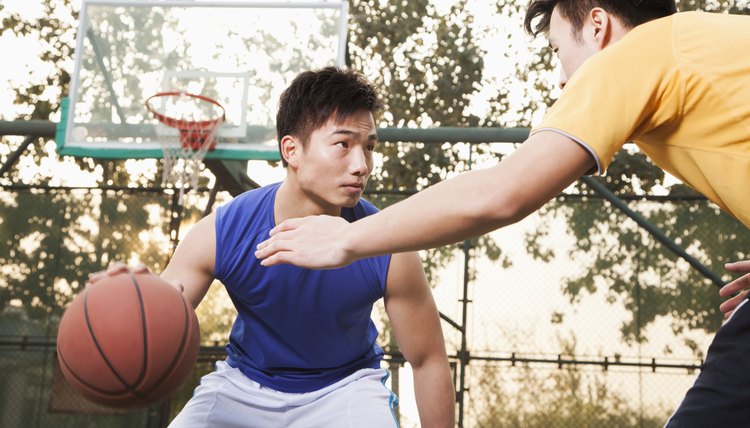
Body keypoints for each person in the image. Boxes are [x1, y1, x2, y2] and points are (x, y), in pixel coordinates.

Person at [255, 2, 750, 426]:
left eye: (558, 49)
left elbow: (502, 193)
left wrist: (346, 239)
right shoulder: (702, 46)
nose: (561, 76)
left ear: (597, 26)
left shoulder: (636, 53)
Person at [89, 67, 455, 427]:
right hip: (243, 385)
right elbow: (164, 306)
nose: (361, 165)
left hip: (346, 388)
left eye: (369, 147)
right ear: (291, 150)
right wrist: (129, 294)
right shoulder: (226, 229)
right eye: (343, 144)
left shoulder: (386, 243)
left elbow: (428, 360)